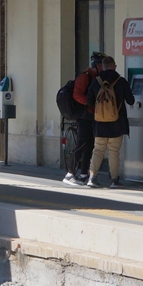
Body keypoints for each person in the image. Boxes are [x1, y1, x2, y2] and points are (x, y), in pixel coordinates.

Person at [87, 55, 135, 188]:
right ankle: (114, 180)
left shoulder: (96, 81)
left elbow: (89, 101)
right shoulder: (121, 81)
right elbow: (131, 100)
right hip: (117, 123)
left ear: (102, 67)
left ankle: (92, 177)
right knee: (114, 151)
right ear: (114, 66)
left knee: (98, 150)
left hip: (100, 123)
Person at [65, 51, 103, 185]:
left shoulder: (95, 77)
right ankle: (70, 173)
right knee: (81, 143)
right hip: (83, 116)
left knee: (89, 145)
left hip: (91, 115)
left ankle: (83, 174)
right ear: (97, 65)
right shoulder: (85, 77)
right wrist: (89, 102)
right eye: (102, 65)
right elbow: (77, 95)